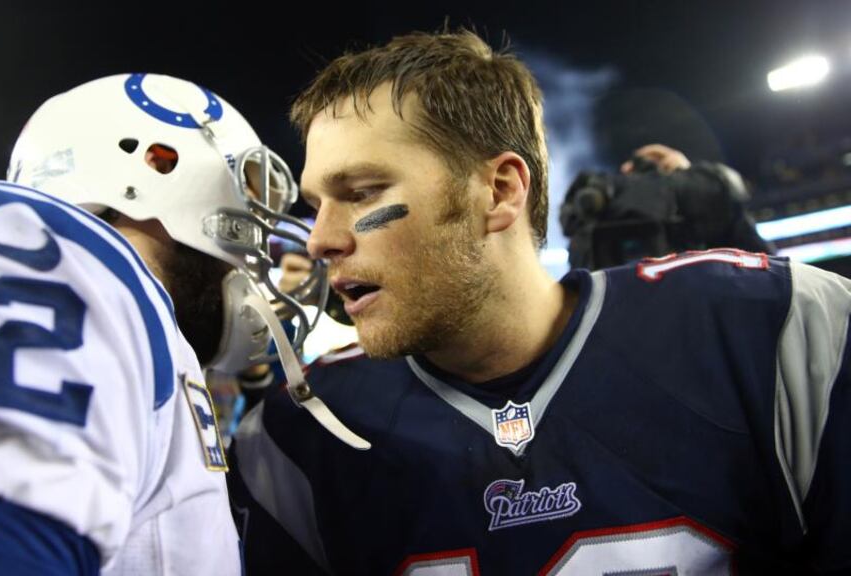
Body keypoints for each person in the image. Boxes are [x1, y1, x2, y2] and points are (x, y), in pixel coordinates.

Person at [226, 31, 851, 574]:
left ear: (498, 191)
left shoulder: (761, 329)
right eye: (315, 205)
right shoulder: (299, 437)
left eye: (360, 193)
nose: (320, 239)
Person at [0, 73, 323, 575]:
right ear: (157, 164)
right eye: (245, 216)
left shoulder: (115, 299)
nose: (253, 257)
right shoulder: (41, 261)